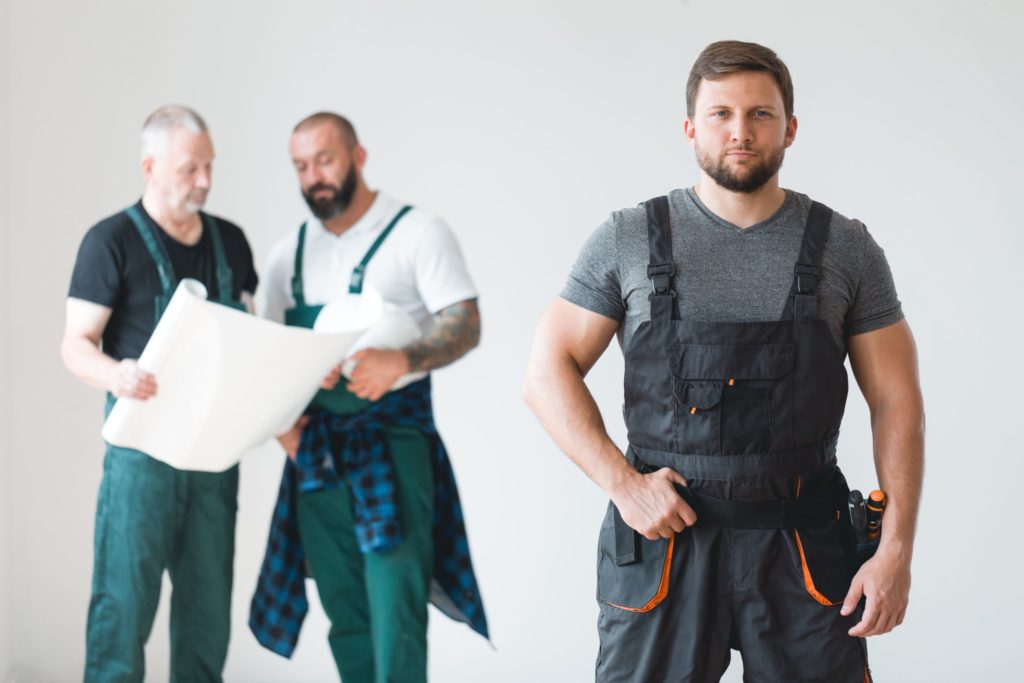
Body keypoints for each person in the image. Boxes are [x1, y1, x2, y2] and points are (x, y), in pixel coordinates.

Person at [523, 41, 924, 682]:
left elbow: (897, 400)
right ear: (690, 128)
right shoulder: (628, 238)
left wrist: (895, 548)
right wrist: (624, 486)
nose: (741, 131)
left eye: (761, 114)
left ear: (790, 127)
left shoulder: (846, 248)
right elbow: (546, 371)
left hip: (804, 545)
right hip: (665, 545)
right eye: (721, 114)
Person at [249, 112, 488, 683]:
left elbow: (465, 322)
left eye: (325, 160)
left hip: (394, 450)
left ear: (358, 157)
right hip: (317, 453)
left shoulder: (416, 232)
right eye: (301, 167)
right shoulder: (287, 257)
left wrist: (401, 360)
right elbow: (266, 356)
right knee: (344, 610)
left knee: (395, 609)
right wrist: (287, 430)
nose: (314, 177)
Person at [61, 105, 258, 682]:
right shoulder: (110, 241)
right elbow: (75, 344)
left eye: (209, 167)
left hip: (213, 455)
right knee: (123, 600)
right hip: (141, 453)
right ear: (150, 166)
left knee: (206, 607)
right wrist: (115, 374)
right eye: (190, 168)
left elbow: (250, 330)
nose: (204, 180)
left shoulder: (232, 243)